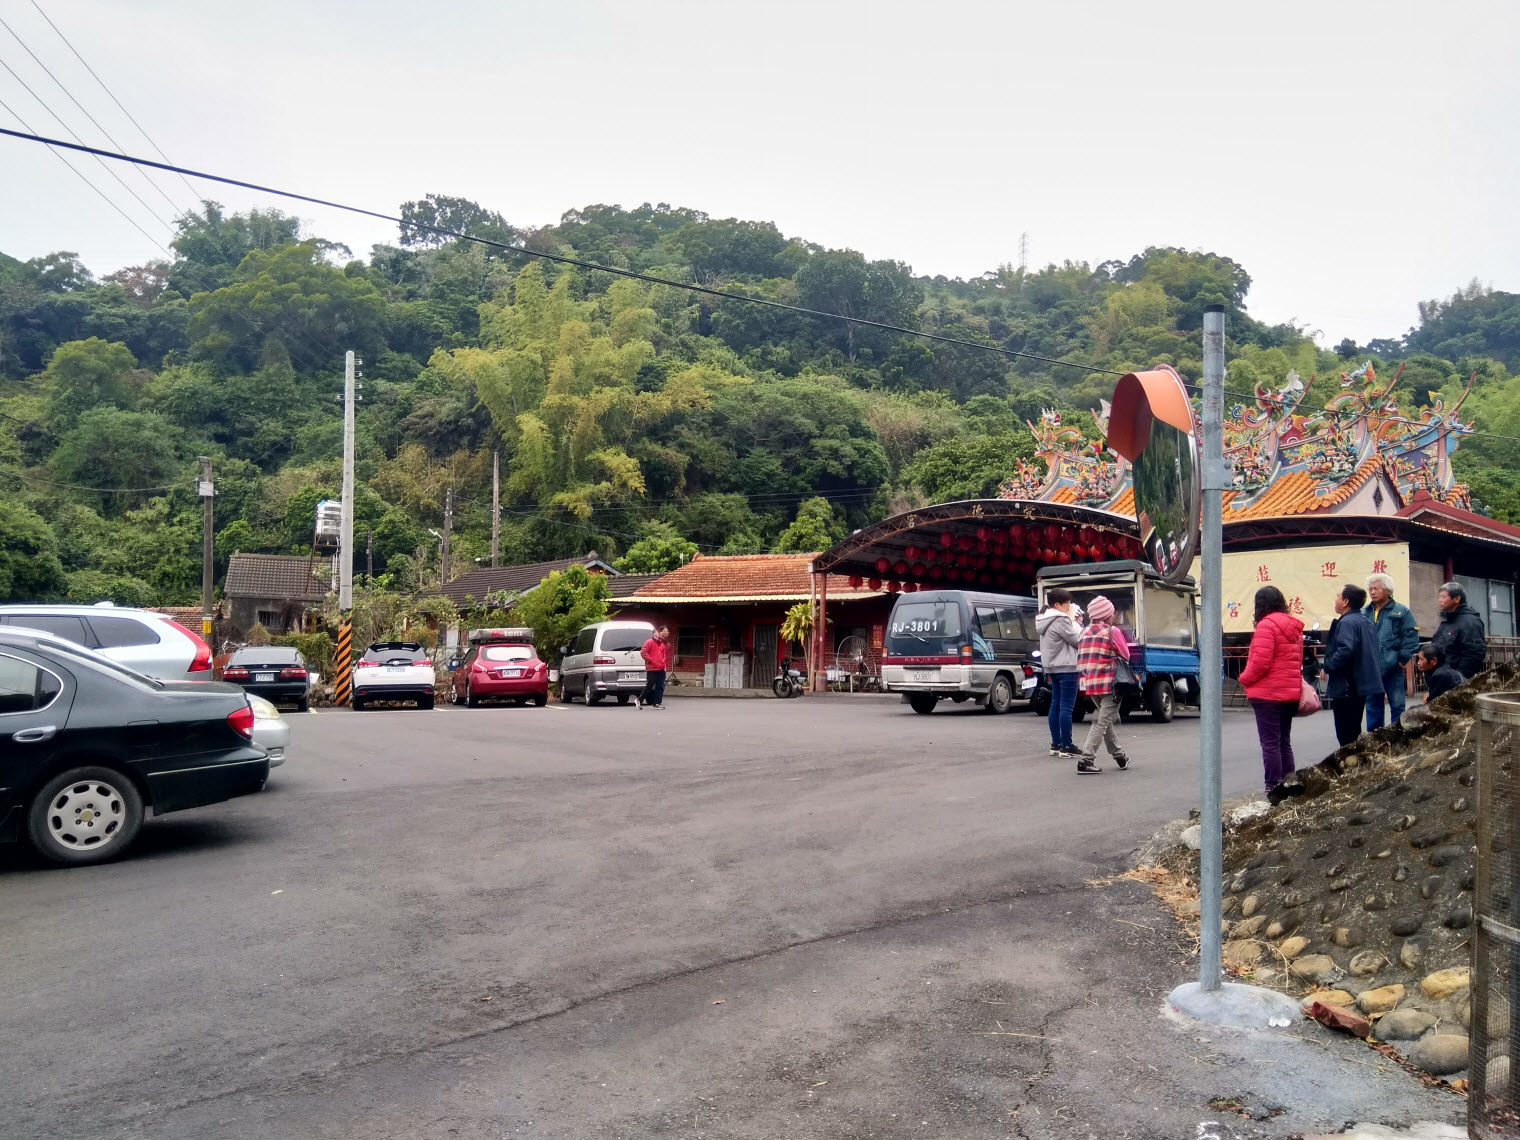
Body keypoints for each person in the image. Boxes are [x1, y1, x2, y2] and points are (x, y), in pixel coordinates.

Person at [1238, 586, 1306, 805]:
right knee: (1284, 742)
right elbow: (1298, 660)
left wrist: (1243, 678)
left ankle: (1273, 787)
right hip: (1289, 694)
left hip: (1267, 695)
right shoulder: (1293, 626)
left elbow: (1260, 663)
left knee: (1270, 743)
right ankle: (1290, 783)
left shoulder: (1266, 626)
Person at [1075, 595, 1131, 775]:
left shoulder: (1083, 632)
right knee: (1100, 721)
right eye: (1112, 613)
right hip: (1111, 685)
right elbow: (1126, 655)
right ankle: (1086, 759)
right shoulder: (1112, 632)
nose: (1114, 616)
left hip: (1091, 684)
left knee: (1105, 720)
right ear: (1107, 615)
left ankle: (1120, 756)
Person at [1322, 583, 1382, 747]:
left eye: (1338, 596)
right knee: (1354, 729)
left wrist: (1328, 665)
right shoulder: (1365, 621)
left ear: (1346, 601)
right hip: (1360, 685)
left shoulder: (1347, 622)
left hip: (1346, 685)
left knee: (1345, 733)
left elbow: (1346, 650)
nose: (1335, 600)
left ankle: (1351, 761)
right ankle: (1357, 759)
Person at [1363, 572, 1419, 732]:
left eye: (1376, 588)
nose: (1372, 592)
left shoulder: (1401, 611)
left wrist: (1401, 660)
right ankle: (1375, 738)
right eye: (1370, 589)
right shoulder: (1365, 612)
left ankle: (1398, 737)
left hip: (1393, 667)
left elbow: (1411, 637)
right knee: (1373, 705)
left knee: (1397, 704)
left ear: (1387, 590)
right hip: (1371, 669)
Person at [1036, 588, 1083, 758]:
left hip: (1052, 667)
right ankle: (1066, 746)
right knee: (1066, 707)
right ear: (1057, 604)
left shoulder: (1043, 619)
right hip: (1067, 667)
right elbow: (1077, 641)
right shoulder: (1061, 620)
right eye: (1067, 603)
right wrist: (1076, 624)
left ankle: (1056, 744)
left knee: (1055, 704)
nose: (1069, 606)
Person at [1430, 581, 1487, 680]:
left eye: (1443, 597)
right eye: (1439, 597)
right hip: (1441, 678)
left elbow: (1475, 654)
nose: (1440, 600)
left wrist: (1458, 677)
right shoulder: (1448, 620)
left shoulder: (1470, 621)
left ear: (1456, 599)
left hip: (1454, 680)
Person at [637, 626, 671, 710]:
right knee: (650, 685)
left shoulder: (662, 643)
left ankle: (657, 703)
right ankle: (639, 699)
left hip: (661, 668)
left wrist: (663, 663)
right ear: (655, 633)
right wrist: (650, 660)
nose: (667, 633)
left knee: (660, 686)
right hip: (652, 668)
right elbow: (643, 652)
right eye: (656, 633)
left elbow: (666, 650)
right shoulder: (649, 642)